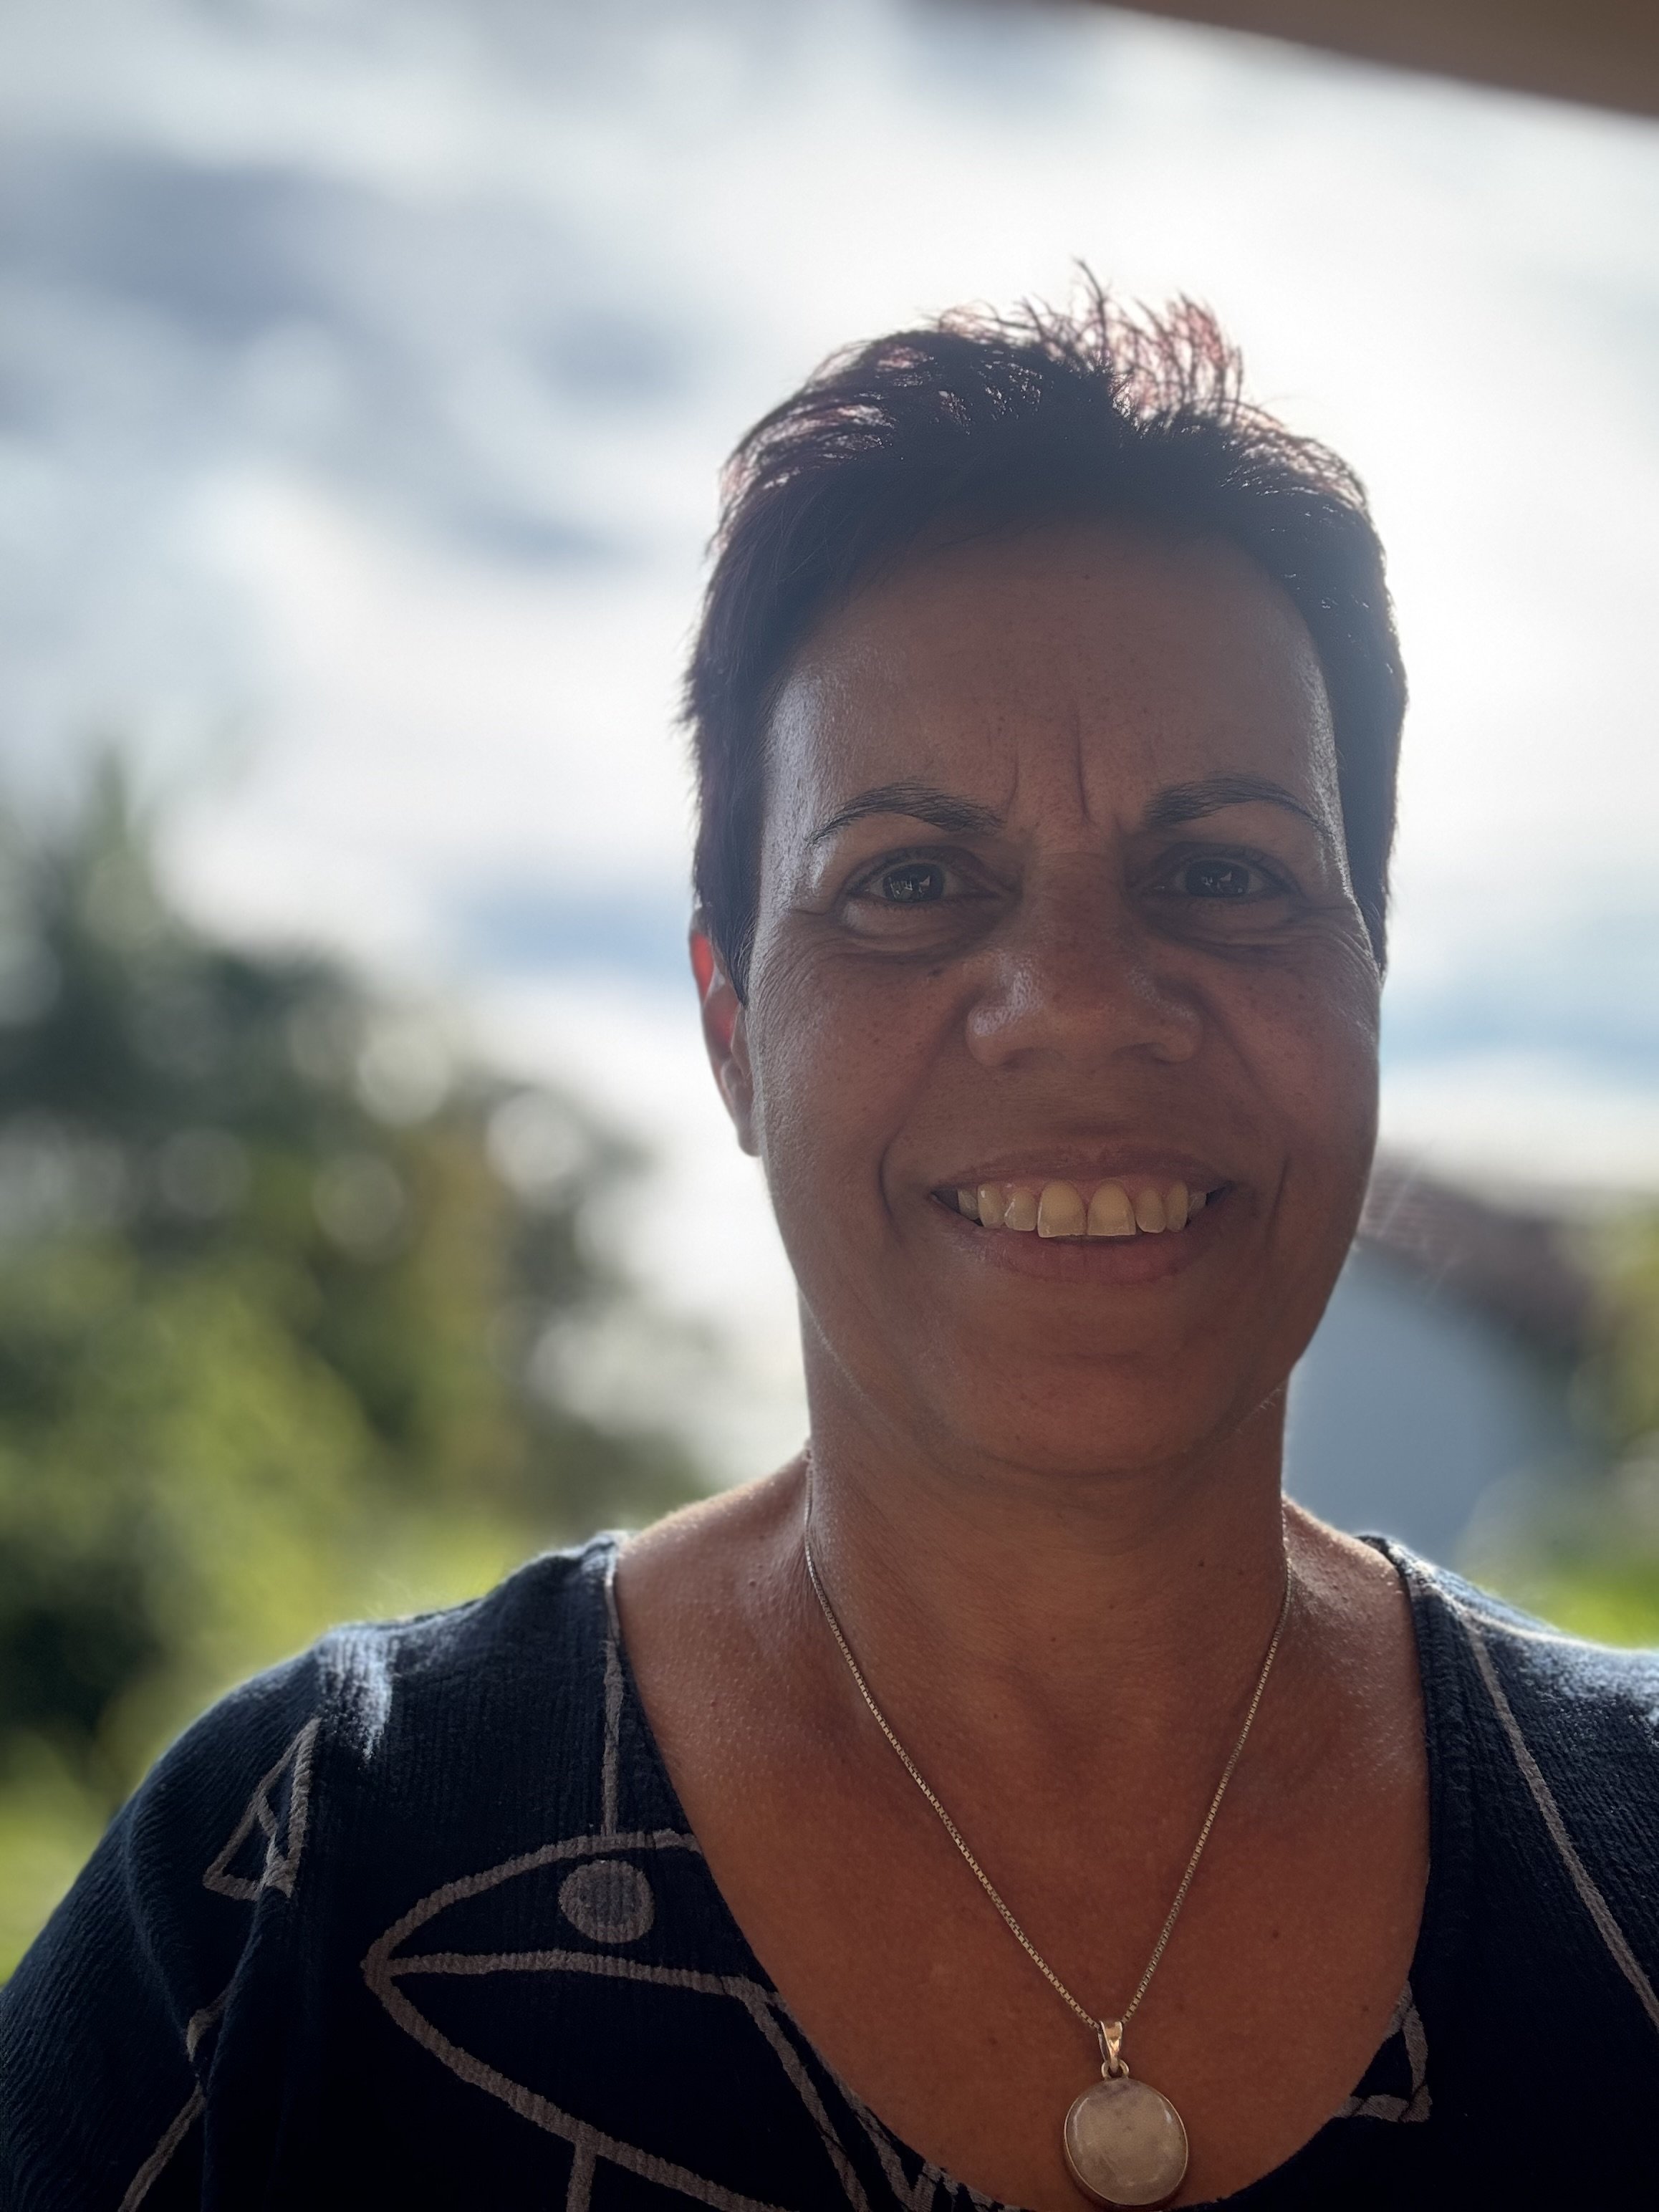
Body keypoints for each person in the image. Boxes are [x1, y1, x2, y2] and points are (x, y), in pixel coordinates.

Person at [3, 289, 1656, 2212]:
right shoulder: (298, 1879)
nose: (1076, 1001)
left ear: (1366, 975)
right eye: (909, 880)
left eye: (1223, 871)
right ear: (732, 1035)